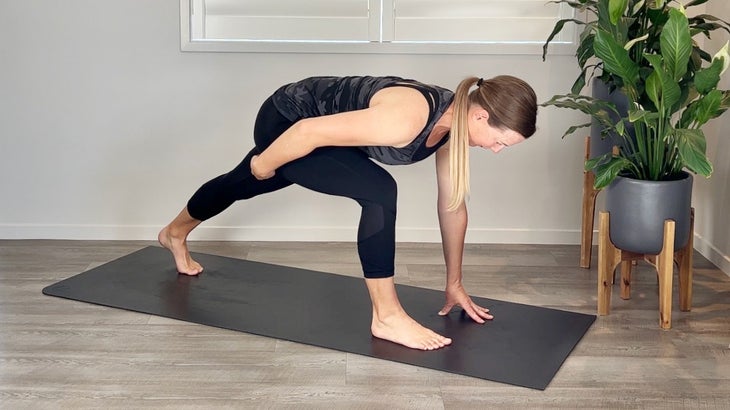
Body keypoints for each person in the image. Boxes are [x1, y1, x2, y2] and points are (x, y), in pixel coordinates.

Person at [158, 75, 537, 351]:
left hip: (323, 135)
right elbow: (307, 131)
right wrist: (264, 161)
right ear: (481, 116)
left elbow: (453, 206)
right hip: (287, 119)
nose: (497, 150)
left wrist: (454, 282)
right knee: (378, 190)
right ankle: (386, 317)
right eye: (501, 142)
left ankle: (174, 233)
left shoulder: (454, 128)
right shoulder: (408, 116)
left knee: (236, 185)